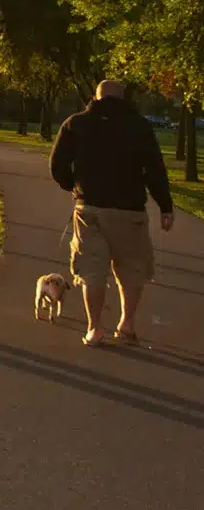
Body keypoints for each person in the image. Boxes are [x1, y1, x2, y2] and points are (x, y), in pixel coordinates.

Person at [50, 79, 174, 347]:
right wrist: (165, 206)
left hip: (90, 208)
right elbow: (154, 169)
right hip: (130, 210)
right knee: (131, 269)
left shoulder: (75, 123)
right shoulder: (140, 126)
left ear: (96, 97)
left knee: (92, 271)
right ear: (123, 98)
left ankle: (94, 328)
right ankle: (126, 323)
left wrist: (73, 185)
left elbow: (57, 165)